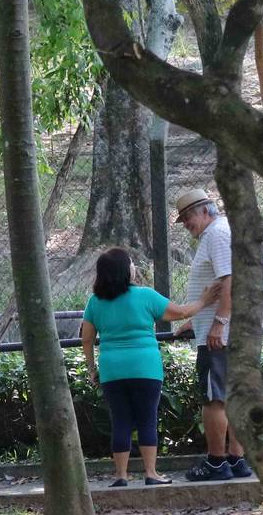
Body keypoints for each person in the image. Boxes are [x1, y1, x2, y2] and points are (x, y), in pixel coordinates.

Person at [79, 247, 222, 487]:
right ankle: (151, 473)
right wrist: (204, 301)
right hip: (145, 367)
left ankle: (121, 476)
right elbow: (181, 312)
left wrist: (92, 368)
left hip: (112, 369)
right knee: (146, 419)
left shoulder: (95, 303)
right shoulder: (146, 296)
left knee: (120, 421)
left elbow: (86, 339)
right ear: (126, 271)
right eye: (131, 263)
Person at [173, 187, 251, 481]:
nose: (187, 225)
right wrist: (197, 321)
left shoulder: (217, 234)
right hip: (220, 330)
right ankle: (236, 458)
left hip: (219, 335)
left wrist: (218, 321)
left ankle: (217, 462)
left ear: (206, 210)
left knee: (213, 398)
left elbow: (229, 278)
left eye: (188, 217)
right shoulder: (219, 232)